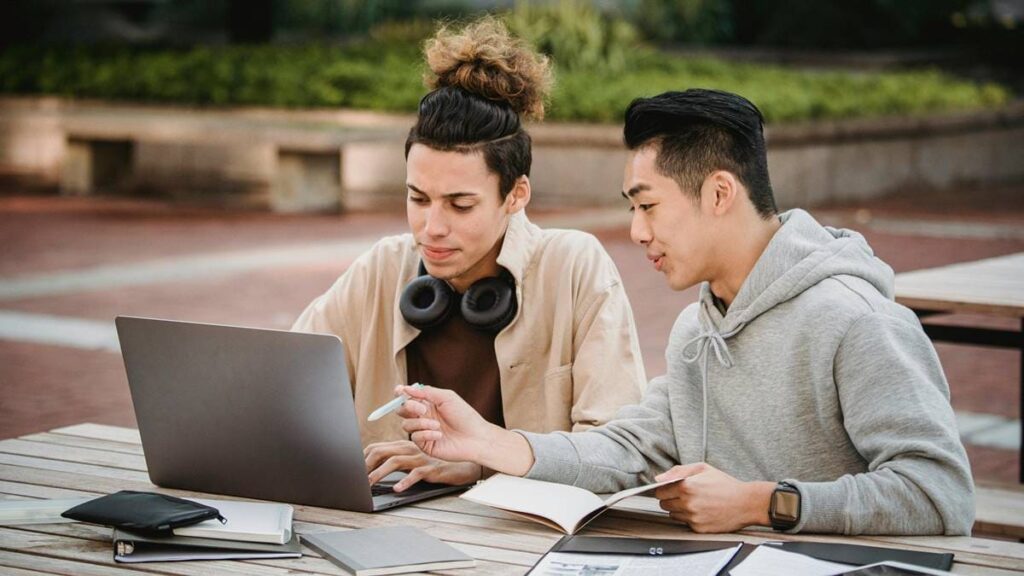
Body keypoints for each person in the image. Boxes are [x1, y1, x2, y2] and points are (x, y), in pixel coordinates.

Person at [394, 89, 975, 535]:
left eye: (648, 205)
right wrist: (489, 443)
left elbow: (939, 493)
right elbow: (627, 450)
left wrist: (762, 501)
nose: (636, 230)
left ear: (719, 194)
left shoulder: (857, 322)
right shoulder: (698, 329)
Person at [291, 17, 646, 492]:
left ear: (516, 195)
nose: (431, 228)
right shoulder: (382, 267)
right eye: (418, 199)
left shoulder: (575, 266)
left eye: (460, 205)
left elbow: (620, 457)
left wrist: (482, 464)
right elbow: (283, 388)